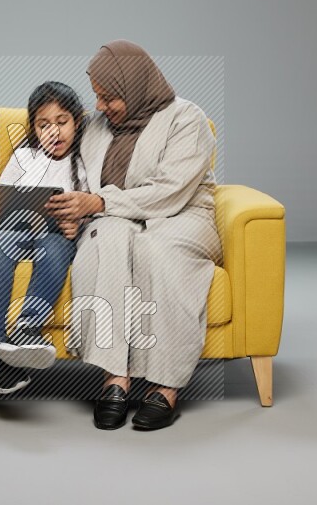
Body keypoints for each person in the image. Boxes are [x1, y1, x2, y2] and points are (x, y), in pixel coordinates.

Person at [44, 40, 223, 429]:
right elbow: (62, 170)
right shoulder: (95, 127)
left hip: (181, 214)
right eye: (97, 97)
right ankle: (115, 377)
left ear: (135, 86)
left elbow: (169, 191)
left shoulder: (186, 119)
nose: (101, 107)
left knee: (158, 253)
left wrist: (98, 204)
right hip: (115, 216)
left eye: (110, 98)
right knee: (103, 244)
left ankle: (165, 385)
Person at [0, 81, 90, 394]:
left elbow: (94, 209)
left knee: (54, 247)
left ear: (77, 121)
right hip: (15, 230)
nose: (54, 132)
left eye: (62, 122)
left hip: (54, 235)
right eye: (44, 125)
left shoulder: (85, 161)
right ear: (34, 128)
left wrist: (77, 225)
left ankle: (27, 328)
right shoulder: (24, 157)